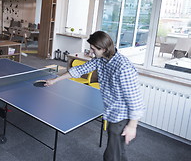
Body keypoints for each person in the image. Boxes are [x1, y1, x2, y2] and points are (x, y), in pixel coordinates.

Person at [45, 31, 145, 161]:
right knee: (118, 150)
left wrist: (132, 126)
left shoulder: (123, 68)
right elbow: (79, 70)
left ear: (103, 48)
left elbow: (135, 100)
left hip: (121, 116)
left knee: (111, 155)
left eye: (93, 49)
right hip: (111, 111)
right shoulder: (101, 59)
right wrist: (55, 80)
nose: (91, 52)